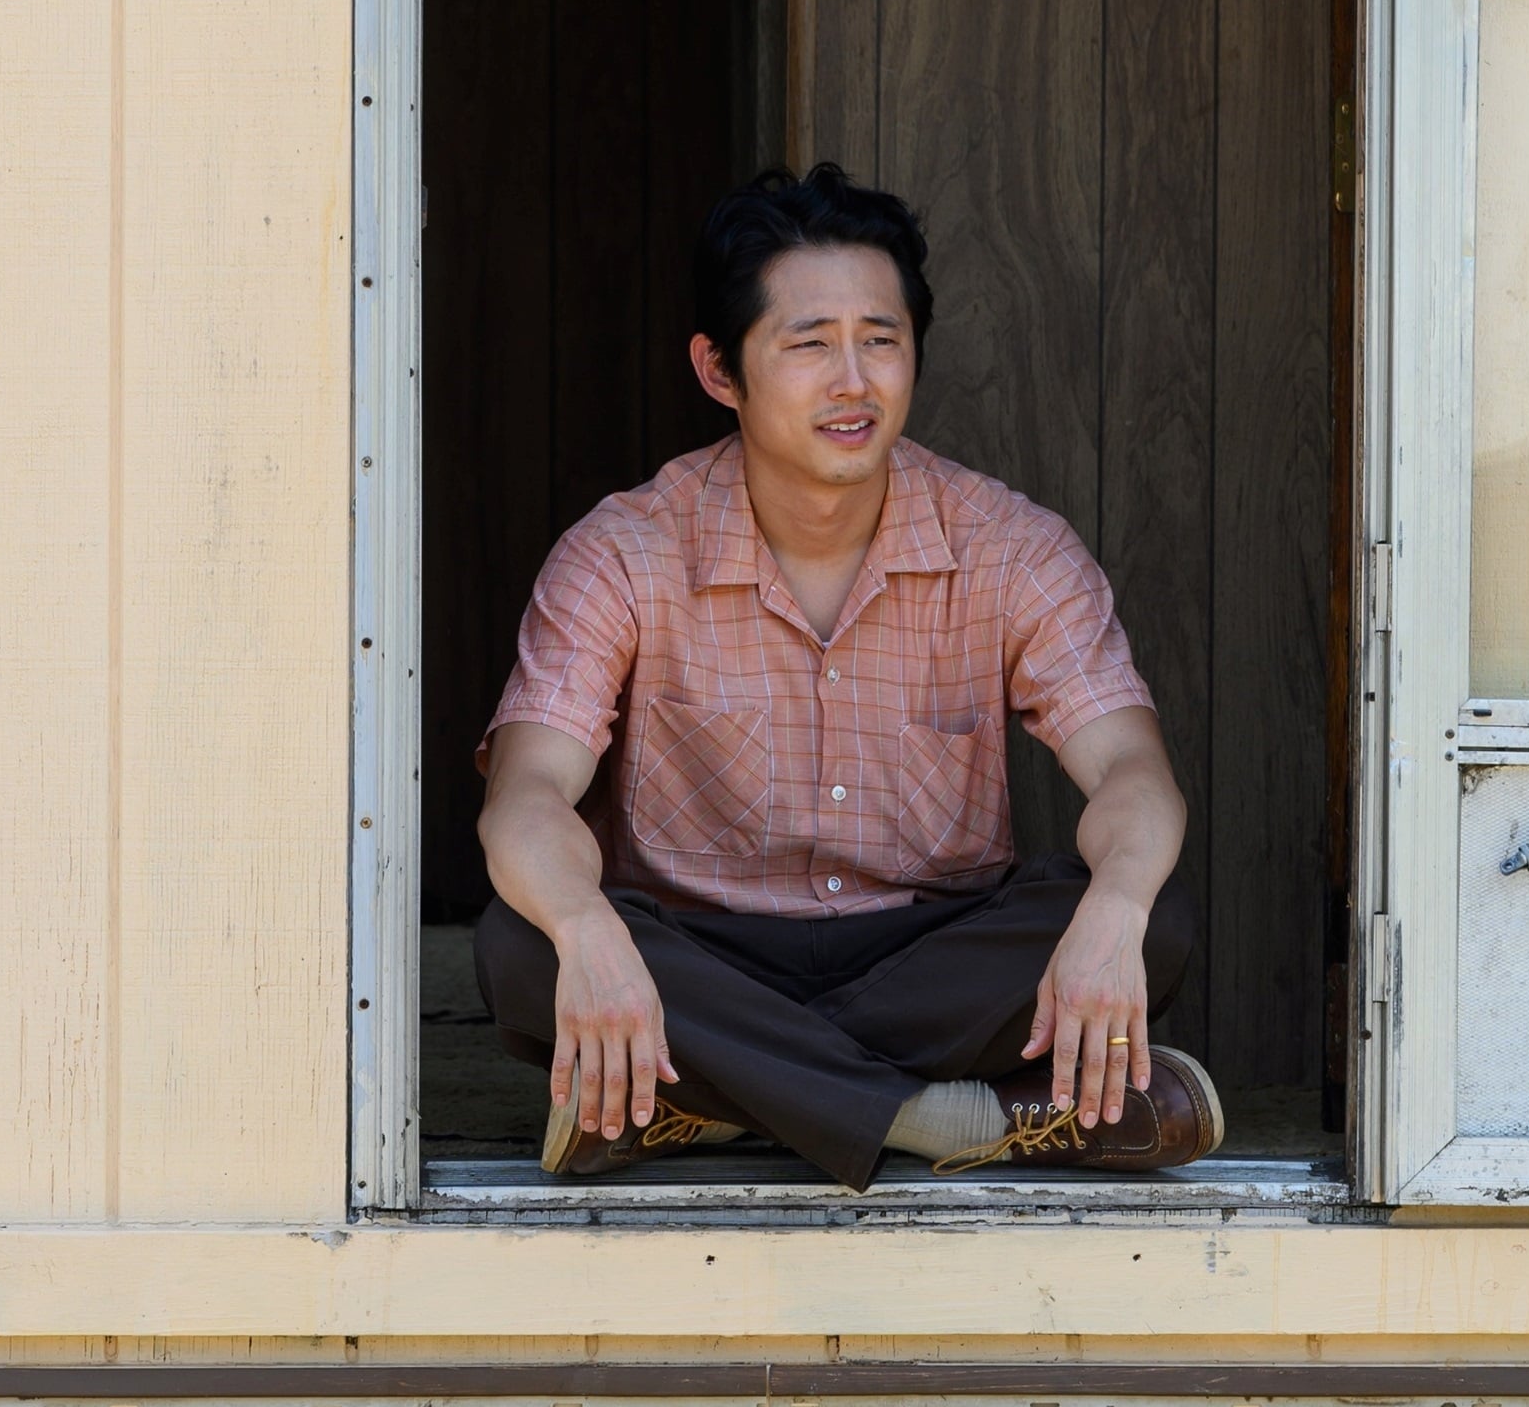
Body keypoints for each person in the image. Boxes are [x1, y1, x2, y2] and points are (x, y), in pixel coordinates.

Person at [470, 164, 1221, 1188]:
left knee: (1152, 913)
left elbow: (1134, 772)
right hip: (705, 953)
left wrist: (1121, 909)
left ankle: (711, 1103)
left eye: (881, 339)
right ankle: (947, 1118)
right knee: (524, 943)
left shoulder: (1009, 547)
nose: (854, 381)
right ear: (719, 370)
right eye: (810, 343)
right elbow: (524, 799)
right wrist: (586, 930)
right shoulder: (623, 555)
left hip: (921, 957)